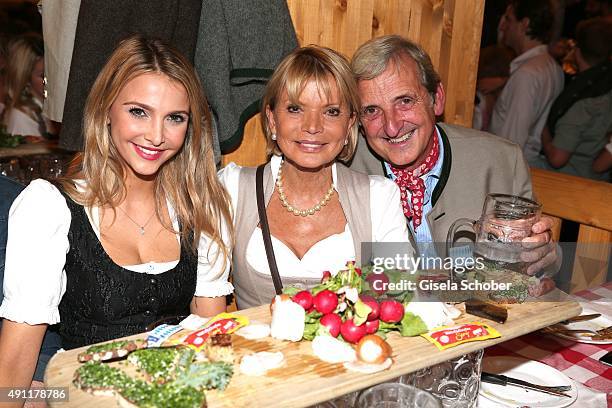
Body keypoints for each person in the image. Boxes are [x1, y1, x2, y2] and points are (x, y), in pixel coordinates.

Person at [0, 35, 233, 398]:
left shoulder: (200, 208)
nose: (156, 136)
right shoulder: (50, 208)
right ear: (107, 110)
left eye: (175, 118)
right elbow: (14, 365)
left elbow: (209, 341)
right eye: (138, 111)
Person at [218, 45, 412, 309]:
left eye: (331, 111)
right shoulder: (233, 187)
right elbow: (209, 312)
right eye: (296, 108)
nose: (312, 126)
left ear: (349, 124)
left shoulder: (379, 197)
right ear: (272, 120)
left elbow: (401, 300)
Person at [349, 35, 558, 279]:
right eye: (372, 111)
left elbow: (537, 266)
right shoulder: (345, 170)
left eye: (405, 101)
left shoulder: (501, 161)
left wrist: (543, 255)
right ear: (359, 120)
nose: (392, 127)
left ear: (436, 99)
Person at [489, 0, 564, 165]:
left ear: (525, 24)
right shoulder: (553, 67)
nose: (502, 26)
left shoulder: (527, 75)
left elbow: (511, 142)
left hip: (513, 168)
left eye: (508, 19)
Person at [539, 17, 612, 181]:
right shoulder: (606, 86)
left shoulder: (584, 101)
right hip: (598, 180)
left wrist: (542, 127)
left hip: (570, 180)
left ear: (578, 52)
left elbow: (557, 158)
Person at [0, 33, 54, 141]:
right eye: (42, 75)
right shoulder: (20, 117)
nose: (51, 80)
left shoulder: (45, 108)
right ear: (26, 80)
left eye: (53, 72)